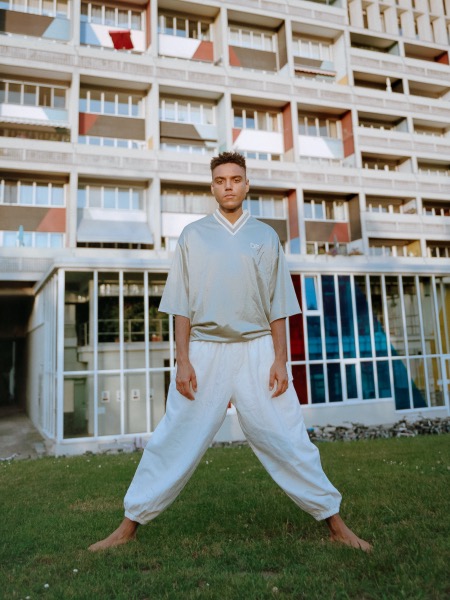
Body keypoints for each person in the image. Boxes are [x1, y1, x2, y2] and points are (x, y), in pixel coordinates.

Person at [89, 152, 372, 553]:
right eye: (221, 180)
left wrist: (280, 360)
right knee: (175, 436)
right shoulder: (193, 235)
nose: (228, 186)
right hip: (205, 351)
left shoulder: (265, 236)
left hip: (258, 351)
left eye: (235, 179)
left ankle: (336, 524)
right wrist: (183, 361)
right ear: (212, 187)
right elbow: (181, 305)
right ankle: (128, 527)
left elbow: (278, 304)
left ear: (246, 185)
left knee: (289, 437)